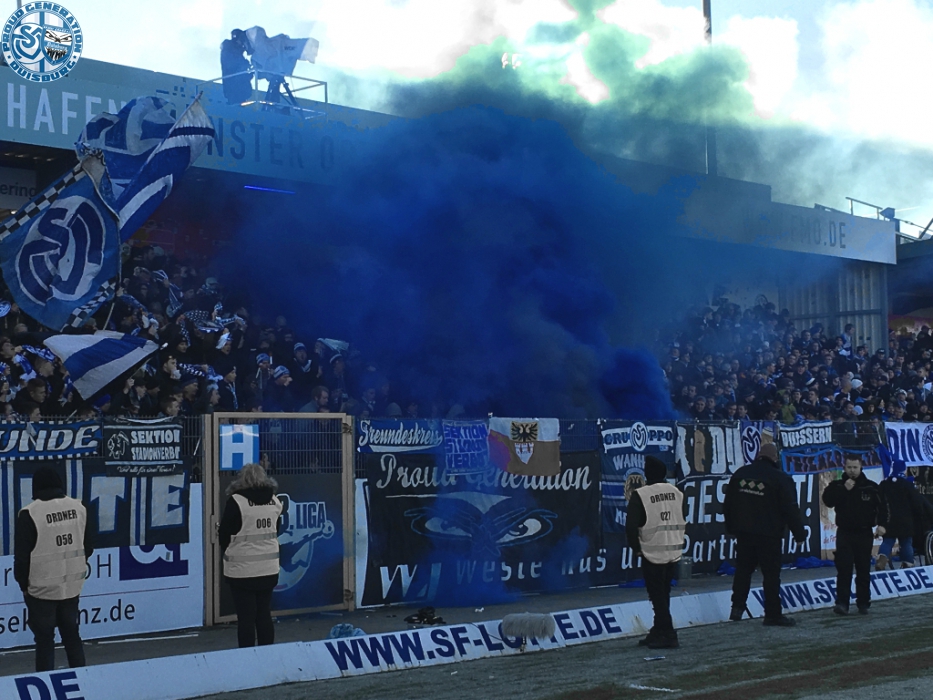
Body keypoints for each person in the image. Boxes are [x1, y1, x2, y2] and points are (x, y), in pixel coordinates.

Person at [14, 467, 94, 672]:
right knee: (72, 636)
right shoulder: (79, 507)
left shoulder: (30, 513)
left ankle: (46, 683)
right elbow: (88, 546)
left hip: (41, 590)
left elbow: (22, 558)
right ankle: (82, 680)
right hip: (72, 587)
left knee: (44, 641)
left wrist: (24, 585)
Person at [724, 443, 806, 626]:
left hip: (744, 533)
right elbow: (791, 509)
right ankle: (772, 614)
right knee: (771, 575)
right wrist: (799, 534)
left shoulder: (740, 474)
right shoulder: (780, 478)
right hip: (769, 535)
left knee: (743, 571)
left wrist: (732, 528)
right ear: (775, 458)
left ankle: (737, 608)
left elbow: (728, 504)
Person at [219, 462, 283, 648]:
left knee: (246, 618)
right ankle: (266, 654)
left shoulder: (237, 501)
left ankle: (247, 656)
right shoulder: (275, 501)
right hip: (268, 568)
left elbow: (224, 534)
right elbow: (276, 530)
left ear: (242, 478)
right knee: (264, 614)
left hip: (242, 571)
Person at [625, 456, 686, 649]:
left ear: (647, 474)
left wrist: (636, 548)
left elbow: (631, 525)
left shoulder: (641, 495)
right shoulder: (677, 492)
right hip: (673, 550)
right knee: (664, 592)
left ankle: (668, 633)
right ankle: (659, 629)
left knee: (656, 595)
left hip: (651, 551)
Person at [822, 454, 886, 614]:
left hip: (864, 533)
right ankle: (842, 603)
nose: (852, 471)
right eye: (849, 467)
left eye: (855, 467)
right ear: (844, 468)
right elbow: (828, 501)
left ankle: (863, 603)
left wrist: (882, 525)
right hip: (845, 533)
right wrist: (844, 489)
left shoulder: (871, 487)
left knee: (863, 569)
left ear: (861, 468)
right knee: (844, 569)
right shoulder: (837, 485)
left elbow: (883, 507)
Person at [877, 459, 933, 570]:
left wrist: (881, 521)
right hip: (906, 520)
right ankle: (908, 564)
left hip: (889, 519)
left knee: (887, 541)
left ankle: (881, 560)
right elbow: (917, 503)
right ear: (904, 470)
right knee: (906, 542)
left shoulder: (884, 484)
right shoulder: (907, 485)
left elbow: (879, 502)